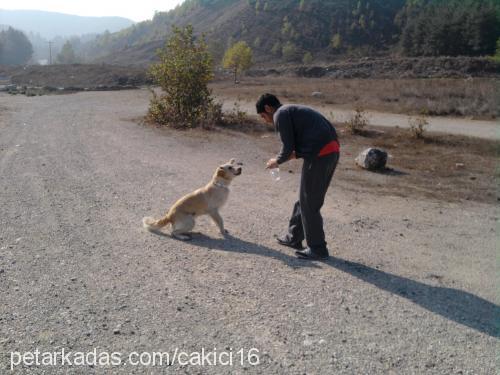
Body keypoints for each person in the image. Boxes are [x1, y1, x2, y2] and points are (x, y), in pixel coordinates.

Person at [256, 93, 340, 260]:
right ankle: (294, 237)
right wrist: (291, 155)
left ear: (268, 108)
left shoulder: (280, 114)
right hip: (328, 152)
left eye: (263, 116)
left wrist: (277, 161)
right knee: (305, 198)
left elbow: (288, 148)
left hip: (320, 155)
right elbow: (301, 145)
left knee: (310, 202)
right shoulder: (292, 111)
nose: (265, 120)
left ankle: (318, 249)